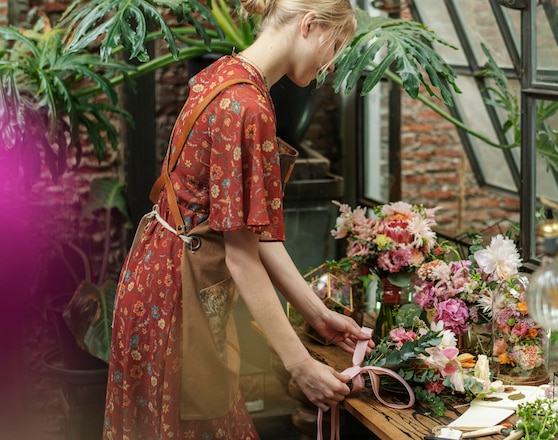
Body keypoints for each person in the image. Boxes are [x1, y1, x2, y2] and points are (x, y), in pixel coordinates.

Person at [102, 0, 372, 438]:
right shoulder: (247, 107)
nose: (332, 63)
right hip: (177, 294)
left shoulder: (226, 74)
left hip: (155, 276)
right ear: (308, 25)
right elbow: (242, 259)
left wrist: (317, 315)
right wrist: (300, 365)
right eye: (336, 45)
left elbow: (252, 231)